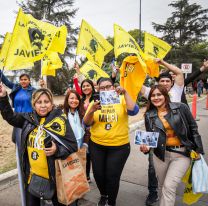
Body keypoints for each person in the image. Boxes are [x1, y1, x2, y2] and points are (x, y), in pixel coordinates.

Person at [0, 85, 78, 206]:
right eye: (39, 102)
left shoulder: (60, 120)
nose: (42, 105)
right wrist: (3, 97)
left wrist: (57, 150)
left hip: (56, 180)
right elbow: (10, 117)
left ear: (51, 103)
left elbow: (73, 147)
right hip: (33, 178)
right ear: (33, 104)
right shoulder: (28, 119)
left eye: (46, 102)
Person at [140, 85, 204, 206]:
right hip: (160, 155)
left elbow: (193, 128)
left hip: (181, 154)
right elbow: (150, 137)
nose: (156, 97)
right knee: (163, 186)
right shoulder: (149, 115)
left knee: (169, 187)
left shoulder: (181, 108)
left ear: (165, 95)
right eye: (153, 95)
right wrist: (146, 148)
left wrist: (199, 150)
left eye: (159, 94)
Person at [83, 77, 139, 206]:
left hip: (119, 146)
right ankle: (104, 195)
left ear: (114, 87)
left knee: (112, 176)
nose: (106, 89)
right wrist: (91, 110)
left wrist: (125, 93)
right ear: (98, 89)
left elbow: (134, 111)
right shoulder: (95, 103)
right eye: (102, 88)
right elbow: (86, 123)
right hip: (97, 145)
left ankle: (111, 202)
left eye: (108, 86)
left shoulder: (122, 100)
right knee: (98, 175)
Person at [80, 79, 96, 182]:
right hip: (83, 131)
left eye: (88, 85)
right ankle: (86, 176)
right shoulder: (80, 100)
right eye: (83, 86)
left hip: (94, 130)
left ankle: (94, 175)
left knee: (92, 154)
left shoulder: (96, 98)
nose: (86, 88)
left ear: (92, 86)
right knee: (85, 154)